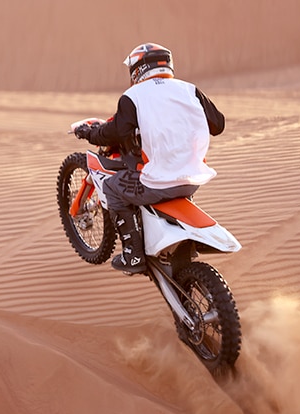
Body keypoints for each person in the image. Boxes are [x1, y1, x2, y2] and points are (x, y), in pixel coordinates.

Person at [74, 42, 225, 274]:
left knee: (112, 188)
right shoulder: (190, 90)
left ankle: (133, 256)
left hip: (154, 184)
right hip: (191, 182)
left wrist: (89, 133)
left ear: (137, 69)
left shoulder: (133, 96)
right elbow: (218, 124)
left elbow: (116, 133)